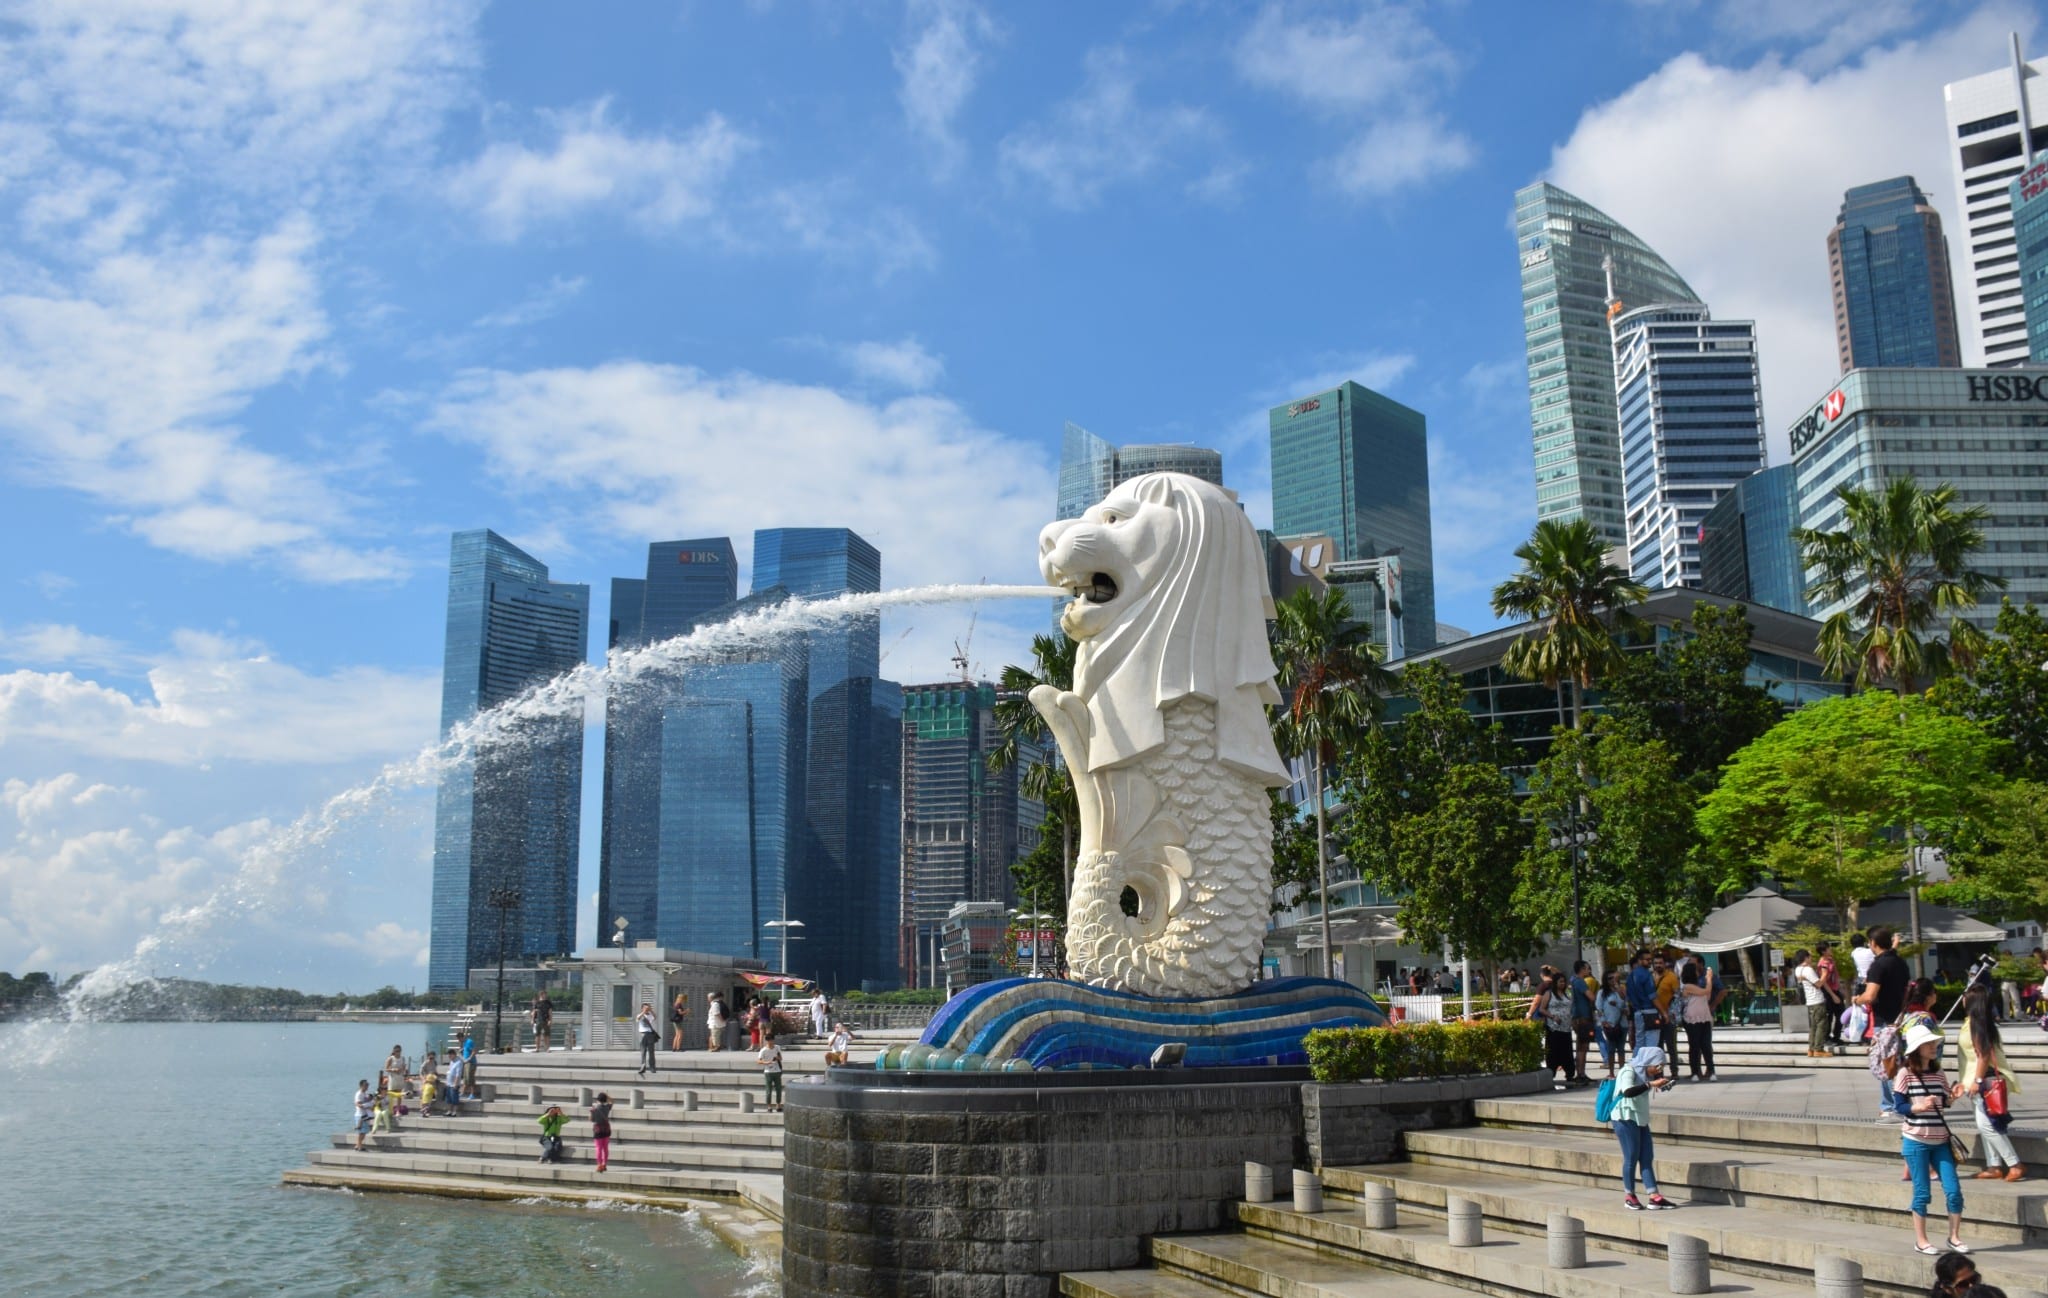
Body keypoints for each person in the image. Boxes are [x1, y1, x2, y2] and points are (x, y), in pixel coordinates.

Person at [1897, 1021, 1966, 1256]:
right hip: (1916, 1140)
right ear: (1918, 1048)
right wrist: (1918, 1106)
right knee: (1922, 1192)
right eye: (1929, 1044)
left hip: (1940, 1140)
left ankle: (1954, 1237)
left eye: (1934, 1043)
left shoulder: (1938, 1073)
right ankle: (1921, 1240)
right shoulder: (1905, 1074)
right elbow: (1899, 1106)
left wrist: (1953, 1097)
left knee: (1954, 1190)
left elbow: (1944, 1101)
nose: (1934, 1046)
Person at [1957, 984, 2024, 1182]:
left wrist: (1977, 1080)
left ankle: (2014, 1163)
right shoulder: (1978, 1022)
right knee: (1987, 1124)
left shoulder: (1976, 1024)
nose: (1962, 999)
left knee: (1986, 1125)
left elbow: (1983, 1054)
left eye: (1965, 996)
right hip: (1980, 1079)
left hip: (1984, 1080)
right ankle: (1993, 1165)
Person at [1611, 1045, 1675, 1211]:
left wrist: (1658, 1084)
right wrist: (1650, 1084)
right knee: (1631, 1157)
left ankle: (1654, 1196)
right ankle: (1629, 1196)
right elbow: (1627, 1092)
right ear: (1648, 1062)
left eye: (1662, 1066)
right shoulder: (1629, 1071)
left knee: (1647, 1156)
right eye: (1658, 1066)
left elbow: (1646, 1086)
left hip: (1640, 1118)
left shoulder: (1646, 1074)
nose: (1659, 1070)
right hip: (1625, 1117)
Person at [1860, 925, 1912, 1120]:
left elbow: (1870, 995)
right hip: (1901, 1018)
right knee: (1896, 1063)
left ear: (1873, 943)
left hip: (1884, 1022)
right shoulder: (1900, 962)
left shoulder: (1878, 965)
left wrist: (1857, 999)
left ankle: (1895, 1106)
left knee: (1887, 1064)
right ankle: (1890, 1104)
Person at [1534, 968, 1576, 1091]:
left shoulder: (1567, 994)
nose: (1562, 984)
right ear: (1555, 983)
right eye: (1560, 982)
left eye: (1564, 981)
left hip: (1566, 1028)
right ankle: (1551, 1073)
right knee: (1553, 1052)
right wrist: (1552, 1016)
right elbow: (1542, 1009)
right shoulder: (1549, 994)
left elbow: (1571, 1007)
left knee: (1567, 1052)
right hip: (1554, 1028)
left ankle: (1569, 1074)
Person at [1678, 963, 1716, 1081]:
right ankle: (1695, 1072)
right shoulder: (1687, 986)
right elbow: (1705, 991)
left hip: (1704, 1017)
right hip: (1692, 1019)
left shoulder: (1698, 986)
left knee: (1706, 1045)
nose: (1698, 972)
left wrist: (1708, 981)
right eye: (1695, 970)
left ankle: (1711, 1070)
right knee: (1694, 1045)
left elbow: (1707, 996)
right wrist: (1709, 978)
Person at [1795, 950, 1829, 1057]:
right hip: (1817, 1000)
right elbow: (1818, 984)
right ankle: (1818, 1049)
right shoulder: (1808, 970)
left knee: (1814, 1026)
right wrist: (1824, 974)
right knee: (1821, 1025)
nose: (1811, 958)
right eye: (1810, 956)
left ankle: (1811, 1049)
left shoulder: (1798, 969)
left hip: (1809, 1001)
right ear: (1806, 958)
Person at [1570, 960, 1598, 1085]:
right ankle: (1581, 1073)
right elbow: (1591, 997)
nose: (1589, 971)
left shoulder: (1573, 980)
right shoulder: (1580, 982)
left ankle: (1581, 1073)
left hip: (1577, 1016)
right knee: (1583, 1046)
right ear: (1582, 969)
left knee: (1581, 1045)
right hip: (1583, 1017)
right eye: (1587, 968)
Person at [1595, 970, 1628, 1076]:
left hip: (1622, 1023)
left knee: (1621, 1049)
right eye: (1609, 978)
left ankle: (1622, 1071)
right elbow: (1599, 1008)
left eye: (1614, 977)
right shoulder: (1602, 993)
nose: (1612, 980)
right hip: (1609, 1023)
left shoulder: (1621, 990)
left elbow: (1626, 1004)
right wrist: (1603, 1022)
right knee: (1611, 1049)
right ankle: (1611, 1072)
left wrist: (1625, 1009)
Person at [1626, 951, 1659, 1052]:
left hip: (1637, 1012)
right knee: (1651, 1044)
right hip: (1649, 1011)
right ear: (1640, 960)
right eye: (1647, 960)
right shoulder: (1646, 974)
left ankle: (1636, 1066)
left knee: (1639, 1043)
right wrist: (1664, 1013)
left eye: (1651, 960)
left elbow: (1629, 997)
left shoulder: (1631, 976)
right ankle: (1648, 1066)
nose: (1650, 962)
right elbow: (1653, 996)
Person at [1817, 942, 1845, 1048]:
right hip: (1828, 992)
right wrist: (1833, 995)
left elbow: (1836, 977)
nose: (1830, 949)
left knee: (1840, 1014)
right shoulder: (1823, 964)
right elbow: (1824, 982)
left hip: (1835, 990)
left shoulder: (1831, 960)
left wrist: (1839, 990)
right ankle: (1826, 1037)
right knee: (1829, 1015)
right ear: (1823, 951)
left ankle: (1836, 1036)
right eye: (1828, 948)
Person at [759, 1032, 785, 1113]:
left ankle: (778, 1105)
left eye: (772, 1040)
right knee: (768, 1090)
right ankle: (769, 1106)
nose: (770, 1042)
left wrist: (777, 1058)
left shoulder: (777, 1047)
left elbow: (781, 1058)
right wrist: (766, 1062)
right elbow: (759, 1061)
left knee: (778, 1089)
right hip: (768, 1071)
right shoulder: (763, 1050)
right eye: (769, 1040)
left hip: (777, 1071)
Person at [590, 1092, 614, 1173]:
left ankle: (599, 1165)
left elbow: (591, 1120)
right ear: (605, 1099)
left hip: (598, 1130)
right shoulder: (607, 1107)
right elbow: (612, 1101)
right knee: (605, 1148)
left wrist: (591, 1112)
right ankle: (604, 1164)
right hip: (606, 1129)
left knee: (598, 1148)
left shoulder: (595, 1108)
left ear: (598, 1099)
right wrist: (607, 1096)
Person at [635, 1002, 660, 1076]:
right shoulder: (639, 1015)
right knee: (643, 1052)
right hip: (643, 1034)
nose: (646, 1009)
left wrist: (651, 1010)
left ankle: (652, 1067)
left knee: (651, 1052)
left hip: (650, 1034)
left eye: (647, 1008)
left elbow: (655, 1017)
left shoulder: (649, 1016)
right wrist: (643, 1012)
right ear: (642, 1008)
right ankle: (643, 1067)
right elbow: (638, 1018)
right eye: (645, 1008)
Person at [352, 1079, 375, 1152]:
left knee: (364, 1131)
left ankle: (358, 1145)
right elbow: (357, 1104)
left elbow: (368, 1100)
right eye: (366, 1085)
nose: (367, 1086)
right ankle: (359, 1146)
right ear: (361, 1085)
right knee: (361, 1132)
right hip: (360, 1115)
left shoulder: (365, 1093)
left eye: (368, 1085)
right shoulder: (359, 1094)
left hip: (365, 1114)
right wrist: (366, 1106)